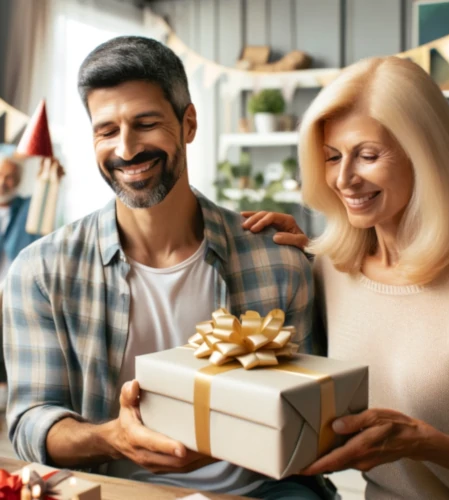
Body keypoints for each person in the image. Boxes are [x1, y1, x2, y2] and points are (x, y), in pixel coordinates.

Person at [2, 36, 337, 500]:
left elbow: (312, 415)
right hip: (114, 491)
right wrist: (111, 437)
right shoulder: (41, 272)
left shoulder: (277, 260)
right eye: (107, 130)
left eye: (146, 123)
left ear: (189, 123)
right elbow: (30, 419)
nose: (127, 149)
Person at [242, 56, 449, 499]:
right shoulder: (329, 272)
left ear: (426, 155)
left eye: (367, 155)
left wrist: (425, 444)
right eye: (332, 157)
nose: (344, 180)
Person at [0, 155, 42, 283]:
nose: (2, 182)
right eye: (0, 174)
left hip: (14, 287)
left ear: (18, 181)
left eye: (9, 177)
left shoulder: (27, 207)